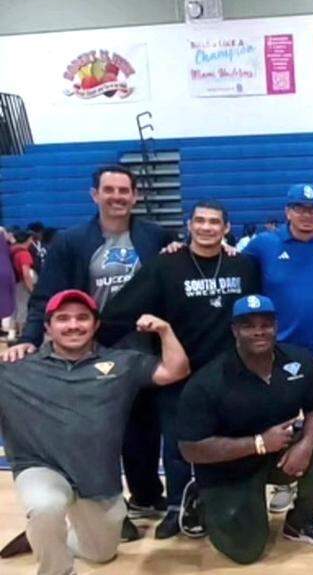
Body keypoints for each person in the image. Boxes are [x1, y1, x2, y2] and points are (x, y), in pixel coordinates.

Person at [3, 165, 177, 532]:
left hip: (142, 345)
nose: (117, 197)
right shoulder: (71, 241)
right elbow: (46, 296)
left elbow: (185, 259)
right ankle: (105, 507)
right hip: (93, 348)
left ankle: (145, 495)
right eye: (109, 190)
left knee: (144, 426)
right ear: (94, 194)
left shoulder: (155, 236)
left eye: (124, 191)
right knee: (98, 431)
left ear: (135, 196)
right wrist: (30, 339)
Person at [99, 200, 261, 538]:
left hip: (229, 373)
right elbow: (119, 309)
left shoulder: (243, 266)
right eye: (199, 221)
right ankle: (176, 506)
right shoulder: (165, 265)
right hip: (179, 371)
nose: (206, 227)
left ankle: (219, 505)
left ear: (226, 228)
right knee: (176, 444)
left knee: (227, 443)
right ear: (189, 225)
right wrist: (104, 342)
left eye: (214, 222)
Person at [0, 289, 189, 575]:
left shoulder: (122, 363)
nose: (73, 325)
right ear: (48, 328)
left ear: (95, 324)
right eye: (62, 319)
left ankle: (44, 537)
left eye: (82, 318)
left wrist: (165, 330)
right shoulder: (16, 367)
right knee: (45, 507)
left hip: (97, 478)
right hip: (40, 467)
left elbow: (176, 370)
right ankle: (56, 564)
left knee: (100, 553)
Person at [177, 295, 313, 565]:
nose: (259, 331)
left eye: (266, 324)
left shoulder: (299, 360)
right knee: (246, 551)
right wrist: (259, 443)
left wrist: (305, 445)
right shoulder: (208, 381)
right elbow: (190, 448)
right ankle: (201, 499)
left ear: (276, 326)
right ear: (234, 331)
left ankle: (299, 523)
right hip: (227, 468)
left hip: (276, 453)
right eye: (248, 325)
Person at [241, 183, 313, 504]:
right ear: (287, 211)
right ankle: (282, 483)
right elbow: (231, 262)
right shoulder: (263, 245)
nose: (307, 215)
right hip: (281, 351)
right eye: (300, 209)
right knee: (281, 417)